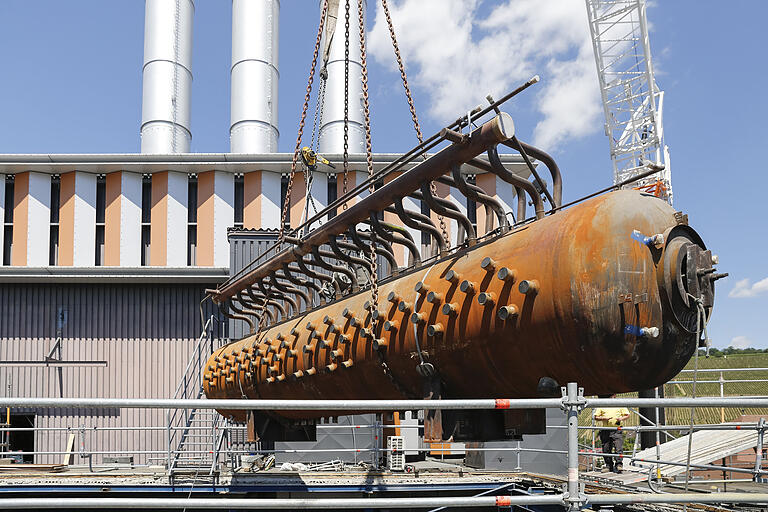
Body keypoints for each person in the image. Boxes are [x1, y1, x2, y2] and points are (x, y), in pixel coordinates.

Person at [594, 395, 630, 473]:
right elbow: (596, 417)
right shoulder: (602, 404)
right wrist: (604, 419)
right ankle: (608, 465)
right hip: (605, 430)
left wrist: (621, 418)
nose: (610, 397)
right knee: (606, 448)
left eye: (611, 395)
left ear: (614, 396)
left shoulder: (619, 403)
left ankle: (619, 465)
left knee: (618, 447)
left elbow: (627, 415)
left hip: (617, 429)